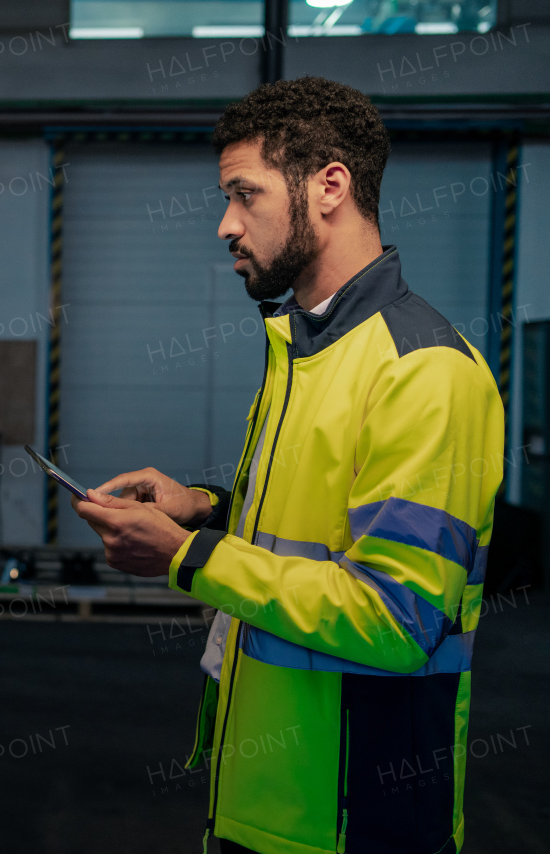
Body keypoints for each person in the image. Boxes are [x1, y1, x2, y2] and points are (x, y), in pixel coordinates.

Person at [74, 77, 502, 854]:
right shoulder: (303, 348)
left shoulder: (424, 371)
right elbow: (314, 525)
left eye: (245, 194)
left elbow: (397, 620)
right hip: (264, 805)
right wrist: (206, 511)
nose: (224, 225)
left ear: (329, 185)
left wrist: (188, 558)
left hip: (354, 822)